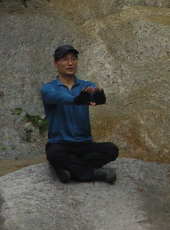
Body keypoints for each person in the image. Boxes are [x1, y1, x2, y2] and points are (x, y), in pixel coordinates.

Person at [40, 45, 119, 183]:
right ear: (55, 63)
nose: (70, 63)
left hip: (84, 144)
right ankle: (90, 172)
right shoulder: (48, 88)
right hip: (60, 144)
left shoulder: (86, 85)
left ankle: (69, 169)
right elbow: (60, 98)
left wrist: (99, 95)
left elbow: (96, 97)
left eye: (73, 59)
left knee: (111, 149)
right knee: (55, 154)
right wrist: (77, 99)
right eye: (65, 59)